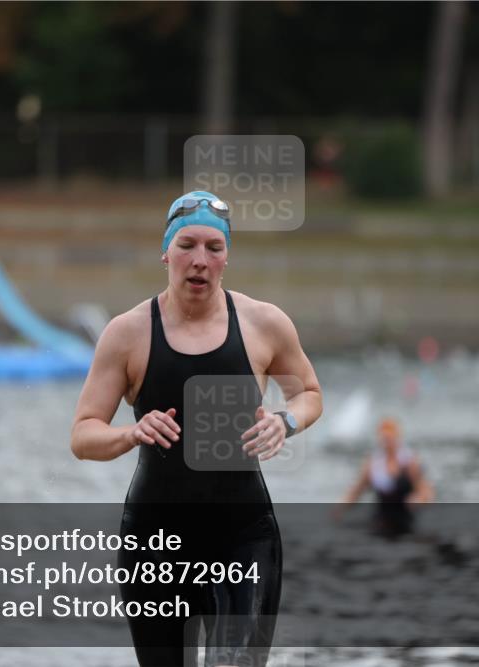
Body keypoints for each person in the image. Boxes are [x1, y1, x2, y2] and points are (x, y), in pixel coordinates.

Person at [71, 191, 323, 667]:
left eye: (214, 247)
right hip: (154, 544)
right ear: (166, 252)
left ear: (227, 256)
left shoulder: (264, 323)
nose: (200, 260)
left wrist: (284, 421)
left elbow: (309, 393)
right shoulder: (127, 333)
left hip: (243, 539)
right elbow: (83, 436)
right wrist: (131, 433)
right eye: (187, 245)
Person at [335, 418, 434, 537]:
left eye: (390, 438)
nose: (387, 442)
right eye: (384, 438)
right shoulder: (373, 464)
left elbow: (425, 492)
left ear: (397, 437)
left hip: (405, 517)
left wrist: (418, 499)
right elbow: (356, 491)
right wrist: (339, 509)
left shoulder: (409, 462)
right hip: (382, 517)